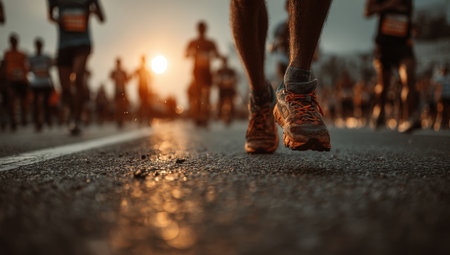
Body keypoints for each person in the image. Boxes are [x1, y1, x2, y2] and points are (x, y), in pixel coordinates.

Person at [231, 0, 332, 153]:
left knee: (294, 81)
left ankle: (297, 90)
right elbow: (272, 46)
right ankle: (261, 97)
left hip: (298, 58)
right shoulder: (280, 27)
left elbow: (318, 50)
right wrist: (276, 45)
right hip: (282, 60)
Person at [47, 0, 105, 135]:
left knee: (78, 79)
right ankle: (73, 111)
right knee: (65, 87)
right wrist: (57, 21)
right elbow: (50, 16)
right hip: (63, 45)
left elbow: (102, 18)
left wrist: (93, 11)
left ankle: (76, 118)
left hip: (82, 43)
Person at [365, 0, 419, 132]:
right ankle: (379, 111)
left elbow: (410, 15)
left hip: (403, 44)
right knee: (384, 86)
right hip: (385, 44)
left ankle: (408, 118)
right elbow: (367, 12)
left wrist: (413, 28)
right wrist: (387, 6)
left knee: (409, 79)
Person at [185, 21, 221, 125]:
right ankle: (198, 114)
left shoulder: (210, 43)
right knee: (198, 91)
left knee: (207, 92)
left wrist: (214, 55)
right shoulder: (193, 42)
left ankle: (205, 113)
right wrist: (193, 53)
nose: (201, 31)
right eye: (200, 29)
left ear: (205, 29)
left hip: (207, 70)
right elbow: (186, 54)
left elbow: (217, 54)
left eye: (203, 28)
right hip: (197, 70)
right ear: (197, 30)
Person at [3, 34, 29, 131]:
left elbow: (26, 66)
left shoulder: (22, 54)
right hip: (11, 80)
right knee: (11, 100)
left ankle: (24, 118)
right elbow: (5, 66)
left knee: (23, 101)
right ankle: (13, 120)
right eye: (12, 40)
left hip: (22, 80)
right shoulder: (7, 53)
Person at [28, 38, 55, 131]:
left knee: (46, 103)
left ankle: (48, 120)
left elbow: (51, 68)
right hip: (35, 83)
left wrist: (52, 83)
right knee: (35, 104)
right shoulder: (31, 57)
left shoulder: (46, 57)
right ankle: (37, 121)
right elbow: (29, 68)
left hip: (45, 83)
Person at [214, 56, 238, 124]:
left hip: (230, 90)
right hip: (222, 90)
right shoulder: (219, 71)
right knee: (220, 102)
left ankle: (232, 114)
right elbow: (216, 80)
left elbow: (235, 79)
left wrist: (231, 82)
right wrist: (219, 82)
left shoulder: (231, 71)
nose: (224, 63)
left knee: (231, 101)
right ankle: (219, 114)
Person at [110, 57, 130, 127]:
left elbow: (127, 80)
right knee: (117, 106)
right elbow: (110, 77)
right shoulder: (114, 71)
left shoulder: (123, 71)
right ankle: (118, 120)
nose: (118, 64)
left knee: (122, 106)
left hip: (123, 91)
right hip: (117, 91)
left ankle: (122, 119)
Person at [134, 55, 152, 124]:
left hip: (146, 89)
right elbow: (133, 74)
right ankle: (141, 119)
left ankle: (147, 119)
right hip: (141, 89)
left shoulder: (146, 70)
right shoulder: (139, 69)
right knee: (141, 104)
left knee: (146, 104)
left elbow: (150, 78)